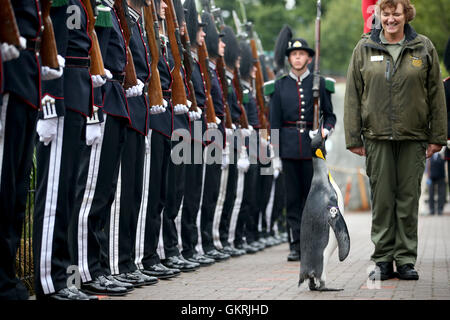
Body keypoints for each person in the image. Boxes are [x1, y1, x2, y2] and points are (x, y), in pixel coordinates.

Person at [344, 0, 446, 281]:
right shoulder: (364, 47)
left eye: (396, 14)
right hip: (376, 138)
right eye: (385, 14)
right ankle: (382, 259)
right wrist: (354, 137)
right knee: (383, 201)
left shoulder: (423, 47)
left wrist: (437, 136)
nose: (390, 19)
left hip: (414, 138)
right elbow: (353, 94)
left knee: (408, 200)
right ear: (379, 15)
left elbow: (436, 94)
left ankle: (405, 260)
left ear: (406, 15)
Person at [270, 25, 336, 262]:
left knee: (314, 199)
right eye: (293, 55)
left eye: (301, 54)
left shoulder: (318, 84)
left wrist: (324, 132)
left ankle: (314, 243)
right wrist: (275, 154)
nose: (297, 58)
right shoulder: (280, 85)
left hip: (313, 150)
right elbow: (274, 122)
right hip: (288, 149)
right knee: (293, 200)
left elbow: (330, 116)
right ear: (289, 59)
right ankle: (296, 244)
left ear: (309, 57)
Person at [0, 0, 41, 300]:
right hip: (9, 74)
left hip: (28, 77)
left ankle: (7, 276)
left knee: (16, 193)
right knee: (3, 188)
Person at [426, 150, 446, 216]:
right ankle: (432, 210)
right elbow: (428, 166)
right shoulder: (430, 156)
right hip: (431, 177)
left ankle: (440, 209)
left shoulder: (442, 155)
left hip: (441, 177)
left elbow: (446, 166)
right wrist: (428, 177)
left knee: (441, 194)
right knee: (431, 194)